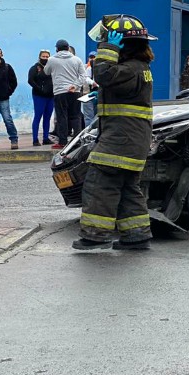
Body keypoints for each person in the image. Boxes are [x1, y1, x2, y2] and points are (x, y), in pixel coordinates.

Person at [72, 14, 156, 251]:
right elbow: (118, 88)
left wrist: (108, 48)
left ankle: (95, 235)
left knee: (100, 184)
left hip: (120, 140)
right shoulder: (139, 68)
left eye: (107, 42)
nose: (102, 46)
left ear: (124, 45)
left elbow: (104, 74)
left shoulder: (129, 69)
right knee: (128, 189)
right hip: (129, 139)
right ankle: (136, 235)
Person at [44, 39, 85, 149]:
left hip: (60, 92)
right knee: (76, 116)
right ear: (68, 48)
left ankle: (62, 141)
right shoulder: (77, 60)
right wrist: (75, 85)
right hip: (75, 91)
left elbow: (46, 71)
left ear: (57, 49)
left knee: (62, 116)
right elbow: (83, 76)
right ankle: (77, 140)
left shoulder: (52, 60)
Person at [0, 42, 19, 151]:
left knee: (7, 119)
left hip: (3, 99)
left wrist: (8, 92)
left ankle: (14, 139)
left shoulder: (7, 67)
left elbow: (13, 82)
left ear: (1, 54)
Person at [28, 49, 54, 146]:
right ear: (39, 57)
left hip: (50, 96)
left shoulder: (51, 68)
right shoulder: (35, 68)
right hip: (39, 96)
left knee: (47, 117)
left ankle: (46, 138)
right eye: (43, 57)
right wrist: (39, 89)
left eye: (47, 57)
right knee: (38, 116)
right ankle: (35, 139)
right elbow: (30, 80)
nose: (45, 58)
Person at [81, 51, 98, 127]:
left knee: (96, 117)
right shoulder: (87, 68)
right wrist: (92, 83)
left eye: (94, 57)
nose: (93, 59)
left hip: (98, 95)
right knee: (88, 117)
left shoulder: (100, 67)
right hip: (88, 95)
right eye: (91, 57)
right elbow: (85, 78)